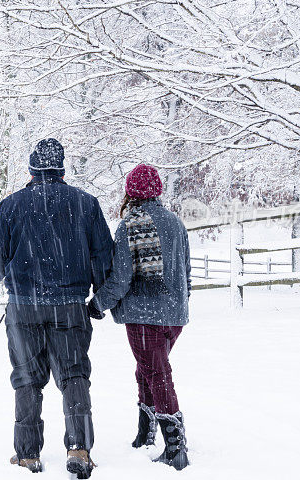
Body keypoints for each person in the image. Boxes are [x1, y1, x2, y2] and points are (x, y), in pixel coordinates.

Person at [0, 138, 113, 478]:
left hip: (23, 308)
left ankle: (27, 455)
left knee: (26, 378)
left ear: (32, 169)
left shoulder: (12, 206)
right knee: (73, 375)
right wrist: (98, 297)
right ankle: (79, 448)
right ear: (61, 168)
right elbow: (103, 259)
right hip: (69, 306)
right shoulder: (86, 204)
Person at [88, 164, 192, 471]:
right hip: (174, 315)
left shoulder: (129, 225)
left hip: (144, 315)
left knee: (157, 374)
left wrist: (97, 304)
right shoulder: (175, 222)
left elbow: (121, 279)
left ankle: (175, 447)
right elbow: (186, 270)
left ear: (130, 192)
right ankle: (145, 433)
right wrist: (181, 302)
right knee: (147, 370)